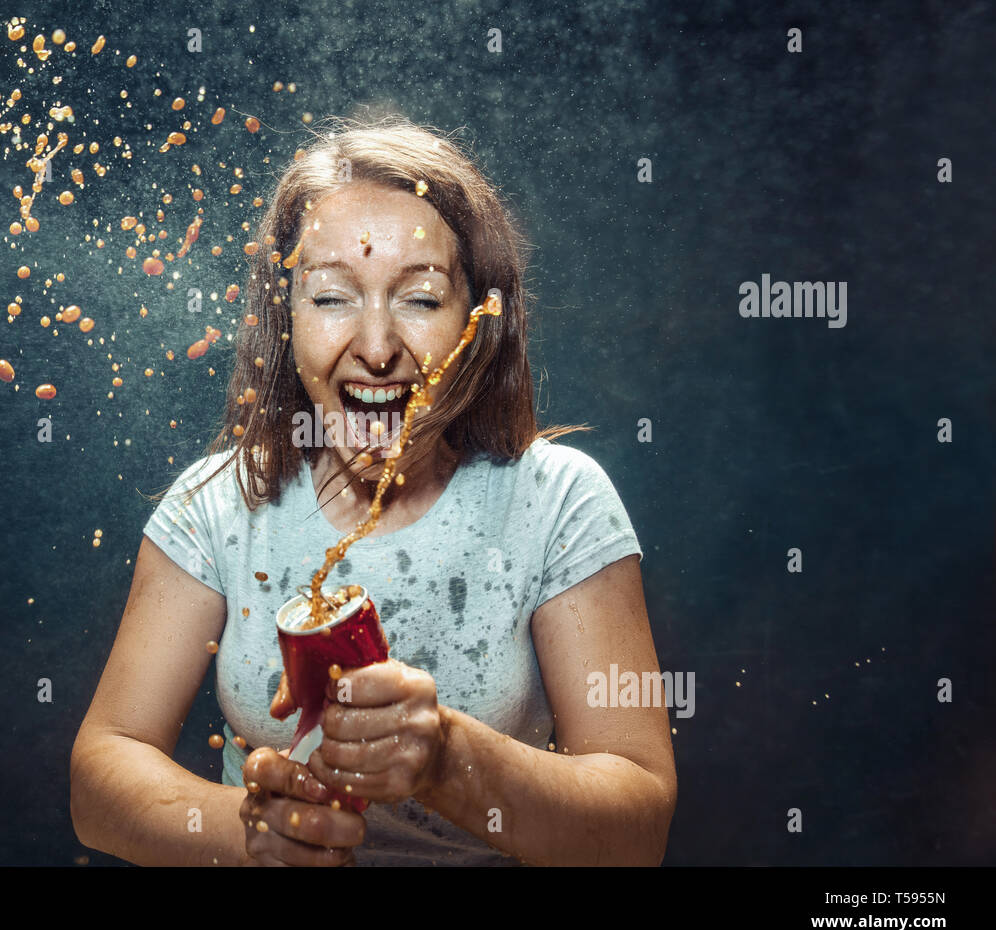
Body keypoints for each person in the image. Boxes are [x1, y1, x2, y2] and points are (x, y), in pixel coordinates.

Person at [70, 115, 676, 866]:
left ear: (477, 323)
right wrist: (249, 833)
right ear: (284, 320)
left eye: (421, 300)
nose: (379, 347)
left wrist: (449, 760)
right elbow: (101, 778)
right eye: (331, 299)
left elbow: (639, 829)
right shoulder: (219, 507)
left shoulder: (558, 504)